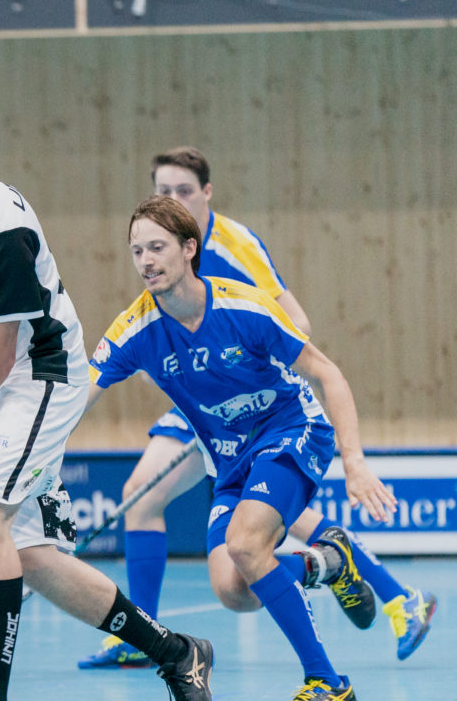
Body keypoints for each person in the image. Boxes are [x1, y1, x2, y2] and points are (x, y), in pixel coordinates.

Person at [0, 89, 214, 701]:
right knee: (30, 558)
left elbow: (4, 352)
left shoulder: (2, 228)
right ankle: (178, 653)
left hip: (39, 376)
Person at [79, 147, 435, 669]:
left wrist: (243, 368)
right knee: (215, 538)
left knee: (242, 524)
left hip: (261, 394)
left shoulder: (236, 246)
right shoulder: (141, 314)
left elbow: (294, 323)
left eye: (181, 190)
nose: (171, 198)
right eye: (162, 190)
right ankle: (361, 579)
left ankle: (381, 609)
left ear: (205, 196)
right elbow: (81, 388)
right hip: (200, 398)